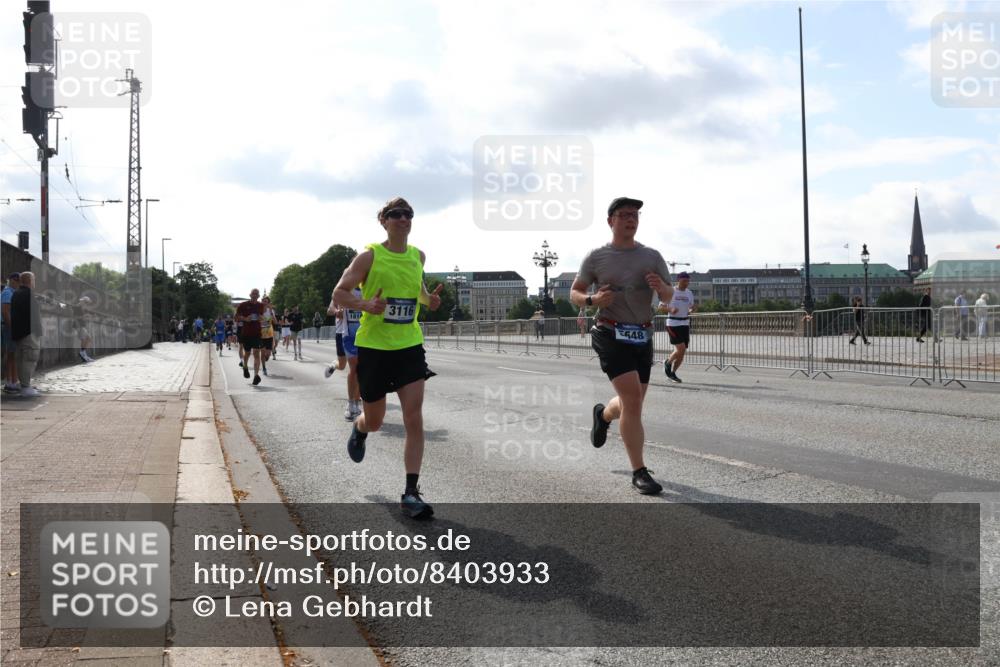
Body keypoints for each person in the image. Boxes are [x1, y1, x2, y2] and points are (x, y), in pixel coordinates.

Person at [333, 196, 444, 519]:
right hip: (374, 348)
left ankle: (411, 492)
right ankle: (361, 427)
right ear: (383, 220)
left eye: (408, 214)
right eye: (395, 214)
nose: (402, 219)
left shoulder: (417, 256)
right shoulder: (369, 256)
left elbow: (418, 292)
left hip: (409, 346)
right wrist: (366, 305)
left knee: (414, 416)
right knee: (377, 420)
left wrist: (429, 301)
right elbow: (340, 292)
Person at [570, 196, 673, 495]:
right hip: (610, 332)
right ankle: (639, 471)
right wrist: (592, 300)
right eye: (625, 214)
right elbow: (575, 293)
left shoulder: (652, 256)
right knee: (633, 400)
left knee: (634, 400)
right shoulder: (596, 257)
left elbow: (668, 296)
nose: (631, 219)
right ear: (610, 220)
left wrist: (660, 287)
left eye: (636, 214)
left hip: (642, 334)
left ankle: (603, 415)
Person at [11, 271, 42, 397]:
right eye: (34, 280)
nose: (34, 282)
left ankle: (25, 384)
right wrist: (38, 331)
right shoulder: (28, 294)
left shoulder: (16, 293)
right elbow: (34, 316)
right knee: (29, 358)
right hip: (29, 333)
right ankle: (26, 387)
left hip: (19, 333)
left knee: (21, 359)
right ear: (30, 281)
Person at [662, 271, 696, 382]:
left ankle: (673, 373)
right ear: (678, 280)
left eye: (688, 281)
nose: (686, 283)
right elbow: (661, 306)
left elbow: (690, 306)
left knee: (682, 351)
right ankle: (667, 362)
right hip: (673, 323)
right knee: (680, 348)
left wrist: (691, 310)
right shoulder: (671, 291)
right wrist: (671, 309)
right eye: (684, 281)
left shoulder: (689, 293)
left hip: (685, 323)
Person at [236, 289, 265, 385]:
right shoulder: (243, 305)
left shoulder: (261, 306)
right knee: (247, 353)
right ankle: (245, 366)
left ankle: (256, 376)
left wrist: (261, 318)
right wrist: (245, 318)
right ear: (250, 295)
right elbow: (236, 317)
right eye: (253, 293)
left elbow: (263, 317)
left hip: (257, 333)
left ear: (258, 296)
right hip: (246, 333)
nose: (255, 295)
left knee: (257, 354)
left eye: (256, 294)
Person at [1, 273, 20, 392]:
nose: (18, 283)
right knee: (11, 355)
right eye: (17, 281)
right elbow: (5, 312)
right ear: (12, 280)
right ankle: (10, 382)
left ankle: (13, 381)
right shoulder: (8, 293)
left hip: (9, 326)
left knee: (12, 355)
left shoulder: (11, 292)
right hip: (8, 327)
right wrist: (12, 327)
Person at [73, 296, 95, 362]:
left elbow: (85, 314)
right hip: (79, 325)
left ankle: (83, 353)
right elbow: (75, 317)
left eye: (87, 303)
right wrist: (85, 316)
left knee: (88, 338)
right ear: (82, 301)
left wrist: (89, 315)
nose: (86, 304)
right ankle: (82, 353)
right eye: (86, 302)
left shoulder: (82, 308)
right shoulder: (77, 307)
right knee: (85, 338)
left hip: (82, 325)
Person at [260, 296, 277, 374]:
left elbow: (275, 322)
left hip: (269, 334)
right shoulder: (258, 311)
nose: (264, 303)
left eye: (266, 301)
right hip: (261, 334)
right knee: (262, 352)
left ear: (268, 303)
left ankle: (266, 358)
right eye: (263, 301)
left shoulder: (271, 311)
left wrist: (270, 312)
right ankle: (264, 368)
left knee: (268, 354)